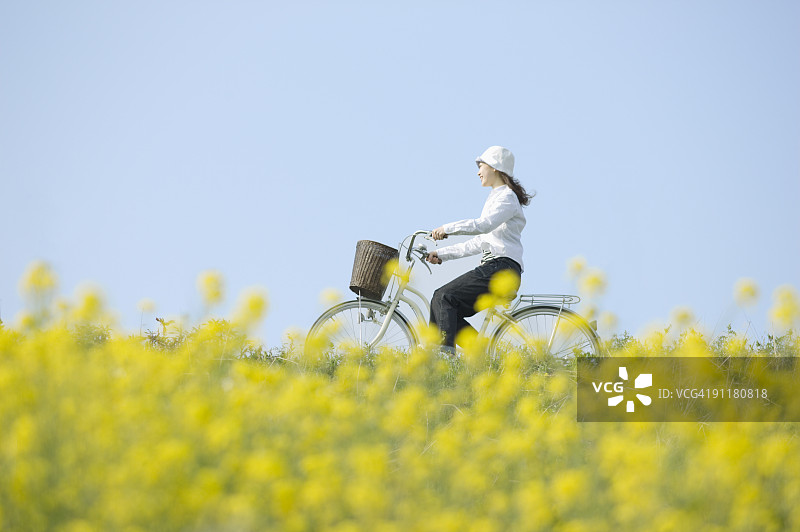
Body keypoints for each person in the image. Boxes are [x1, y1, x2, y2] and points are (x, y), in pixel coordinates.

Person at [426, 146, 533, 351]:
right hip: (496, 267)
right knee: (442, 304)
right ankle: (481, 354)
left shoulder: (506, 198)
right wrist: (441, 254)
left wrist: (447, 228)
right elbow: (478, 242)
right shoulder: (496, 198)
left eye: (481, 165)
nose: (478, 171)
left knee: (443, 297)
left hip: (500, 267)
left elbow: (482, 225)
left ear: (495, 167)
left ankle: (444, 358)